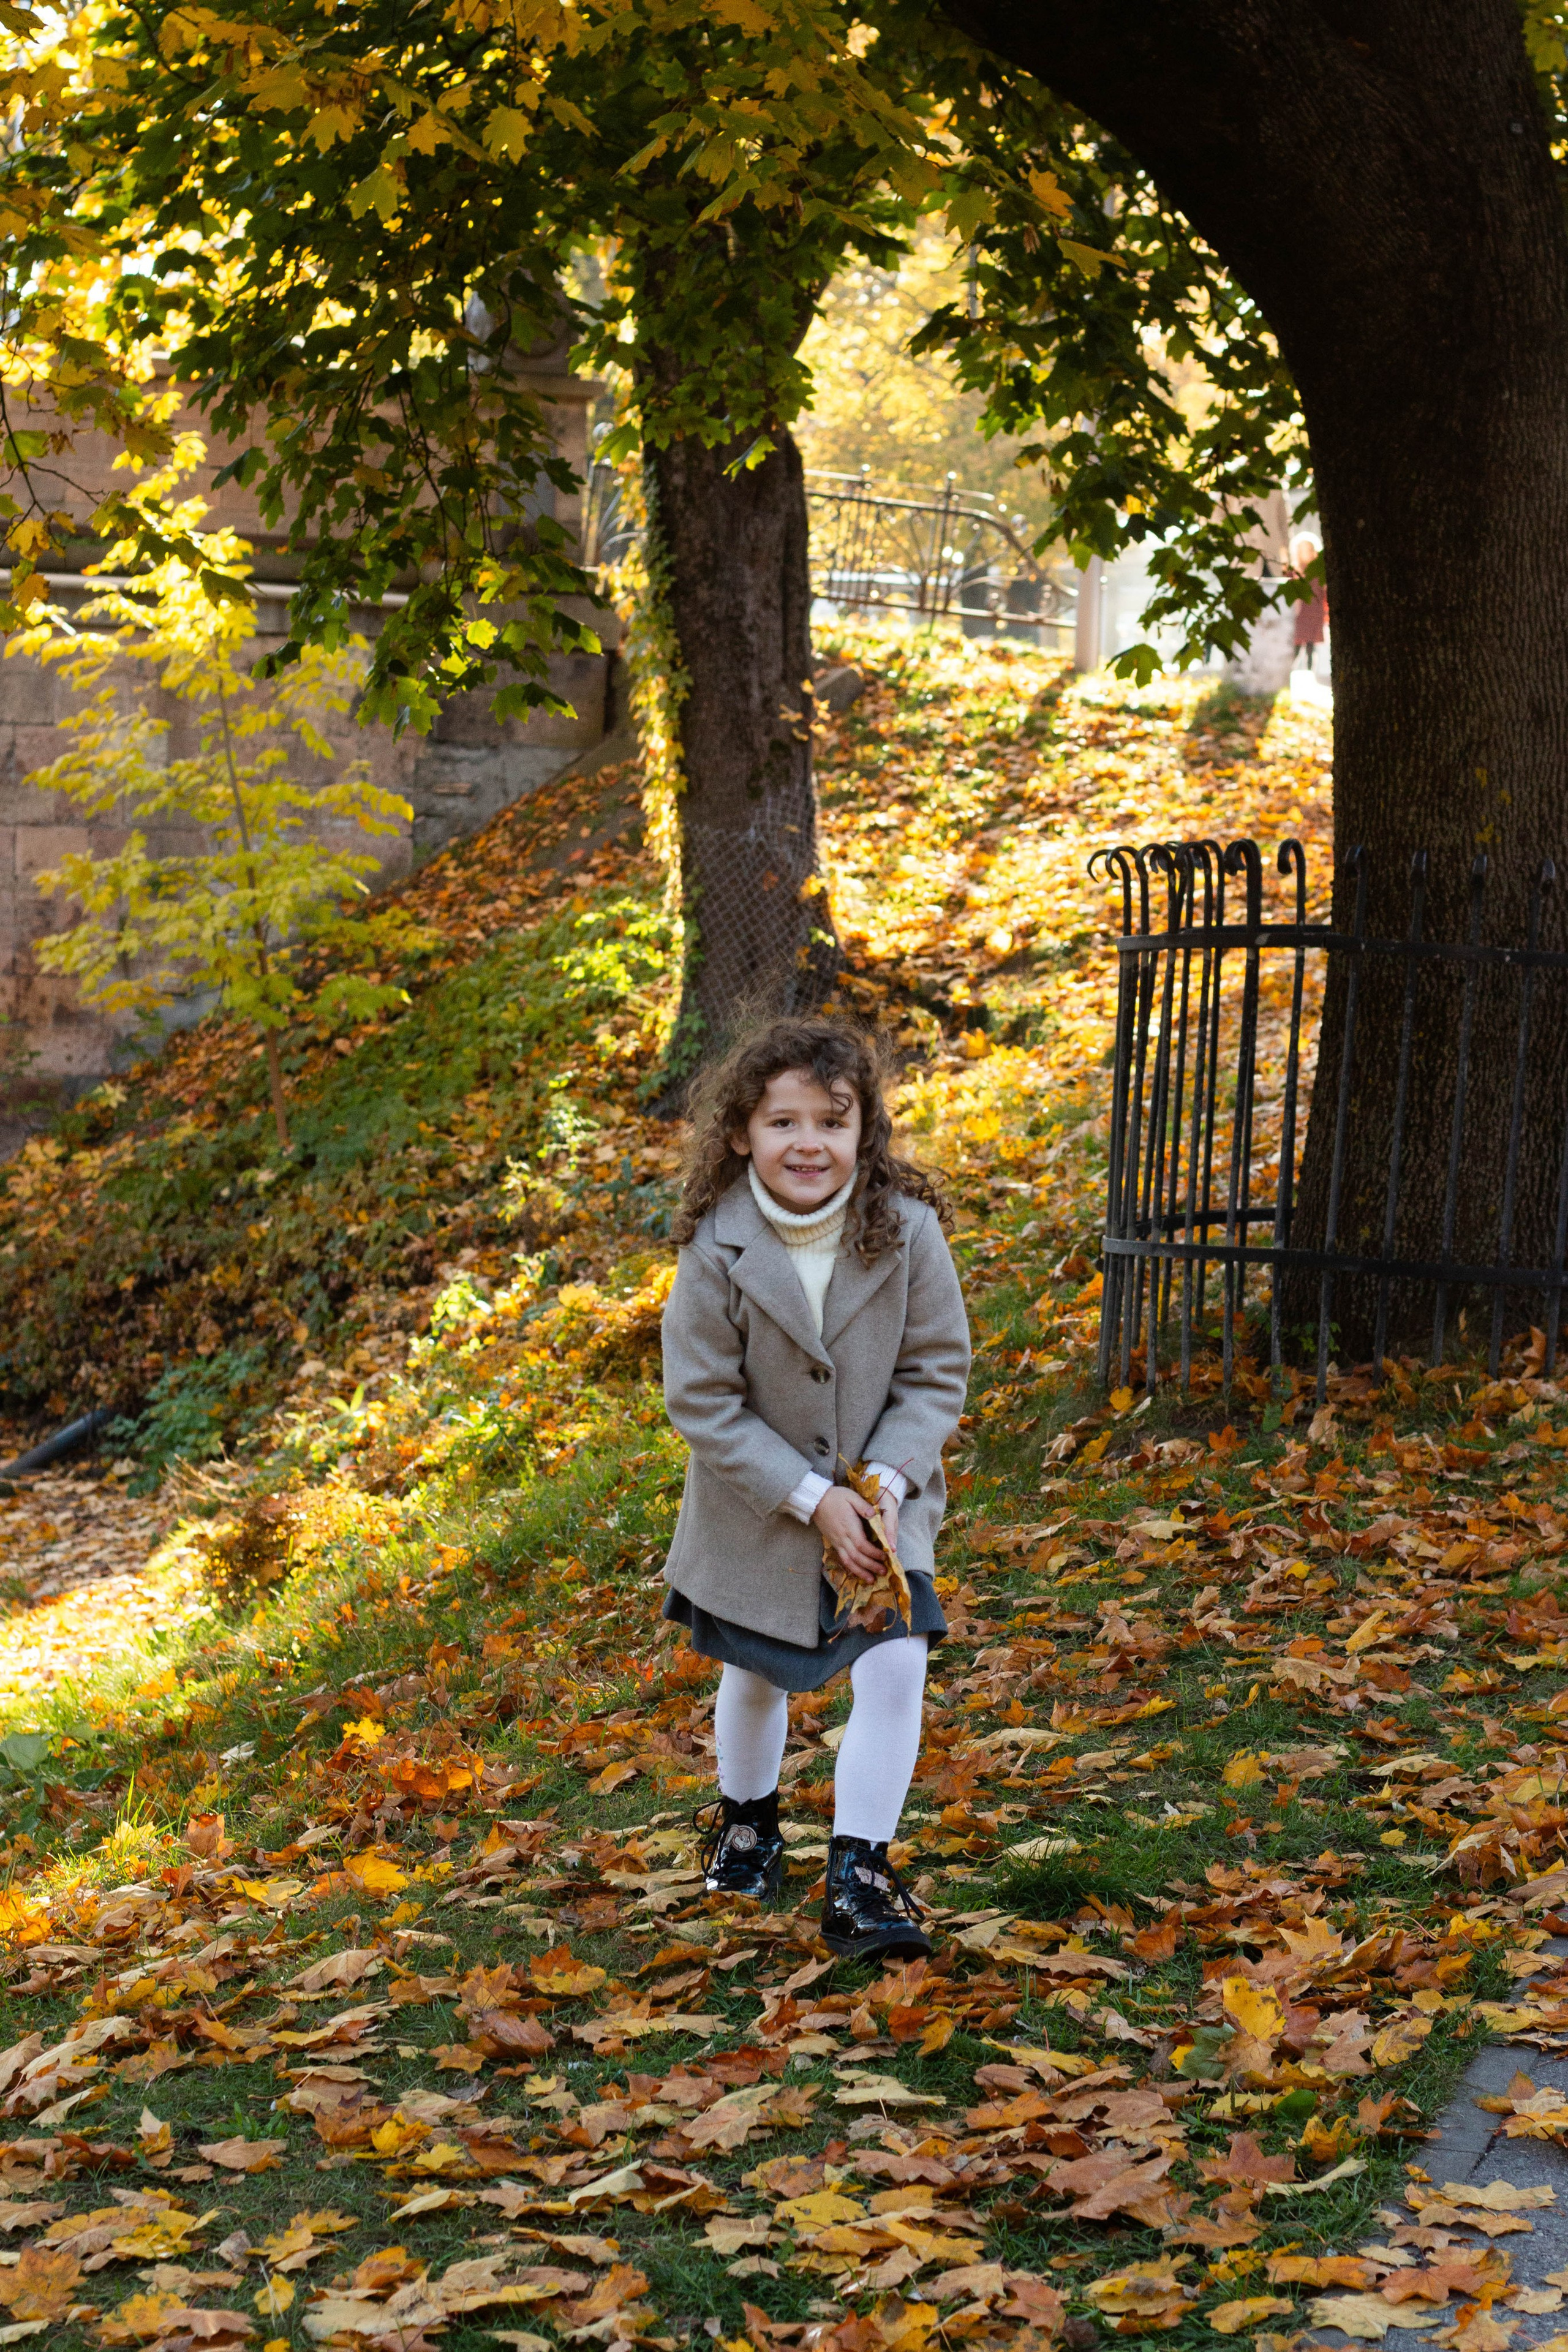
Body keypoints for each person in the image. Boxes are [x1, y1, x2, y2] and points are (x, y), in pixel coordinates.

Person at [659, 1017, 971, 1961]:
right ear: (740, 1134)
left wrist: (882, 1484)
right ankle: (748, 1823)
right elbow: (702, 1399)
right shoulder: (716, 1248)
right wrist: (809, 1497)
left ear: (864, 1131)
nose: (809, 1143)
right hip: (756, 1507)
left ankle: (859, 1876)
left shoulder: (908, 1232)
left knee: (896, 1663)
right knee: (756, 1673)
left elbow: (936, 1372)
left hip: (883, 1500)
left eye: (833, 1122)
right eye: (784, 1122)